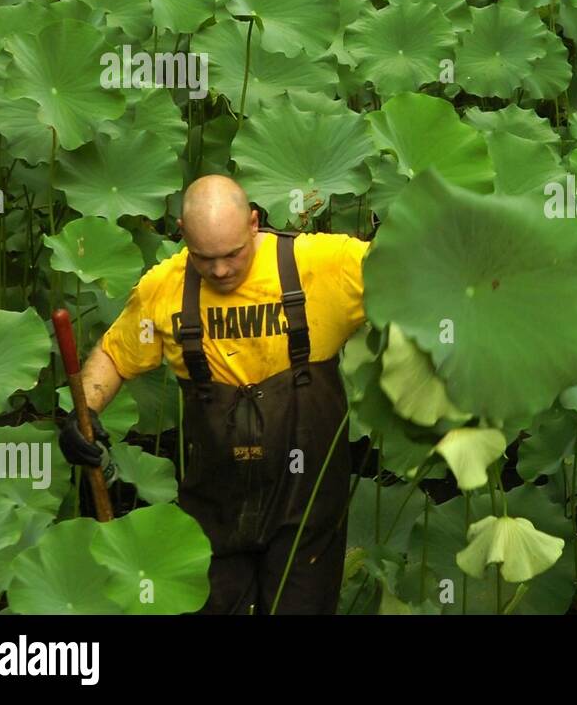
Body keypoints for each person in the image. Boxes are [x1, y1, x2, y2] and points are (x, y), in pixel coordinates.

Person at [57, 175, 370, 614]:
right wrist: (85, 412)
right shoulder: (163, 289)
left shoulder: (322, 265)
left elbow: (405, 270)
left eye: (232, 255)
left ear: (253, 224)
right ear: (182, 232)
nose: (221, 270)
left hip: (306, 505)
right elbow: (115, 354)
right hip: (216, 509)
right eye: (206, 258)